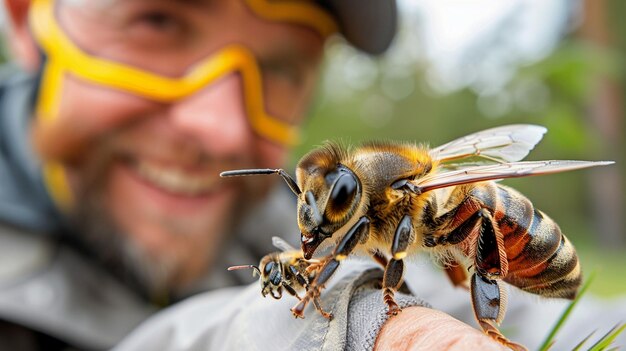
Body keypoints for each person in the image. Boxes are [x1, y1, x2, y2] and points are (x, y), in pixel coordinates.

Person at [1, 0, 623, 350]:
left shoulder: (255, 217)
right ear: (27, 19)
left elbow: (445, 299)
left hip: (505, 235)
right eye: (156, 21)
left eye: (280, 68)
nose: (221, 127)